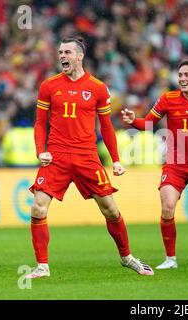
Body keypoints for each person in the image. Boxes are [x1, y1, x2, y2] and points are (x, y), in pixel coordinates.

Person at [27, 37, 154, 278]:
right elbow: (40, 123)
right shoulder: (48, 86)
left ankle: (126, 256)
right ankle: (42, 266)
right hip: (56, 156)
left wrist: (116, 160)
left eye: (67, 52)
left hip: (87, 156)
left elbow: (106, 127)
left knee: (110, 210)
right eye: (60, 52)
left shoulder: (97, 87)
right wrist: (39, 151)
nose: (62, 56)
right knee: (38, 208)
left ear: (79, 56)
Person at [121, 61, 188, 269]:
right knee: (167, 208)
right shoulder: (168, 99)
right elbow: (148, 123)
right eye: (180, 75)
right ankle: (170, 259)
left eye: (187, 75)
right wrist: (134, 120)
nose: (183, 79)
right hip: (175, 165)